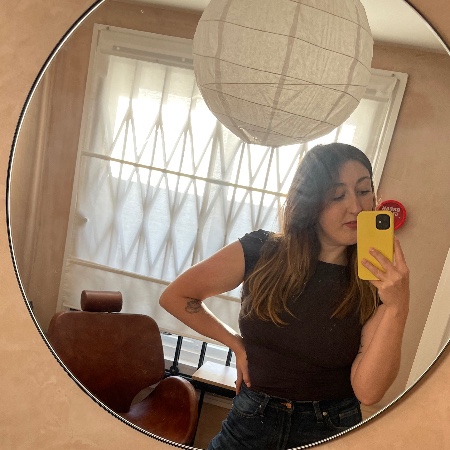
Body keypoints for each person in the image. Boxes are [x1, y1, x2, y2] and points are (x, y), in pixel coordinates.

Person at [159, 143, 410, 450]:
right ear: (310, 201)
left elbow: (369, 392)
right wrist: (236, 344)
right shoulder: (261, 251)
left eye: (363, 191)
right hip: (250, 421)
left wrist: (398, 306)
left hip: (329, 429)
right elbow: (177, 296)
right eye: (337, 195)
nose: (356, 207)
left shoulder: (375, 280)